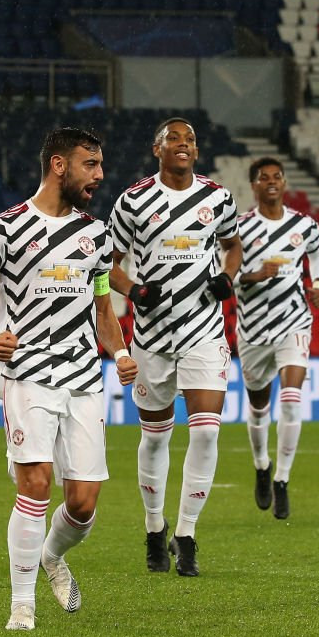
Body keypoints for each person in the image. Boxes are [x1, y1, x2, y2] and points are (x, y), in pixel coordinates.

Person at [0, 127, 139, 631]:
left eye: (99, 165)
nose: (99, 175)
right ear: (59, 164)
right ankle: (22, 605)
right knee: (36, 484)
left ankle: (53, 555)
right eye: (90, 164)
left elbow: (103, 307)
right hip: (27, 373)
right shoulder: (5, 228)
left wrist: (119, 352)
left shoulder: (95, 236)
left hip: (83, 376)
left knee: (82, 502)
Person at [107, 117, 240, 577]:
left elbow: (233, 245)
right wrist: (134, 291)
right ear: (157, 148)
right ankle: (152, 527)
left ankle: (185, 533)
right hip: (151, 338)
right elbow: (110, 264)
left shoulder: (218, 198)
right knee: (155, 436)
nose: (184, 145)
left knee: (205, 431)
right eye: (175, 139)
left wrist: (228, 276)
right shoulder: (133, 200)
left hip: (204, 331)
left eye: (191, 140)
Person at [235, 157, 319, 519]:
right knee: (259, 404)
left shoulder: (303, 225)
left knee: (291, 397)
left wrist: (318, 284)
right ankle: (262, 465)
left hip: (294, 322)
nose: (272, 182)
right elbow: (224, 272)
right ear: (254, 186)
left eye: (277, 177)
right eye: (264, 178)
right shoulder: (240, 227)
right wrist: (255, 275)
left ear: (284, 182)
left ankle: (283, 480)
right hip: (254, 327)